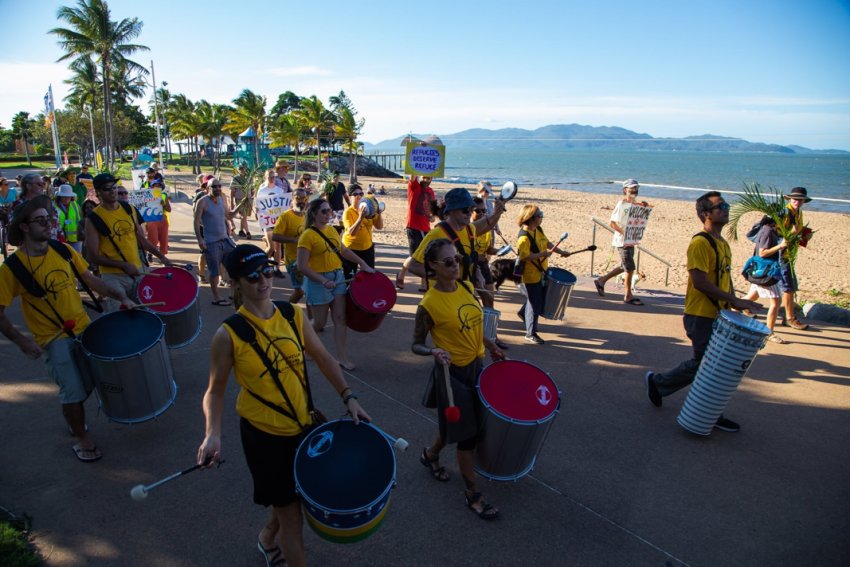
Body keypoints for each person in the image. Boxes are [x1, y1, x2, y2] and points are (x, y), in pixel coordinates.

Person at [196, 243, 369, 567]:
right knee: (293, 519)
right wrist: (212, 434)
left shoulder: (291, 314)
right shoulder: (228, 334)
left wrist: (349, 397)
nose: (263, 281)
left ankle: (265, 537)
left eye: (266, 272)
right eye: (252, 277)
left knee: (295, 496)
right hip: (265, 438)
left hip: (303, 427)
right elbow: (215, 391)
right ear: (235, 283)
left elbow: (322, 357)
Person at [0, 195, 135, 462]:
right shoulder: (12, 268)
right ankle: (81, 438)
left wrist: (121, 296)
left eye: (49, 219)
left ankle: (74, 418)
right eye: (40, 221)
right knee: (72, 390)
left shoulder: (63, 251)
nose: (48, 224)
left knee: (89, 383)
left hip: (85, 330)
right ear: (25, 227)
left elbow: (91, 280)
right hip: (54, 339)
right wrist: (22, 341)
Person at [644, 192, 762, 432]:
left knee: (714, 365)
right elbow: (699, 281)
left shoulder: (722, 243)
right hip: (700, 314)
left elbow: (723, 278)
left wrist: (735, 304)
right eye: (721, 206)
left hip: (720, 314)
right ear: (705, 214)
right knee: (708, 365)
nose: (727, 209)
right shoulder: (700, 242)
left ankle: (706, 410)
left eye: (727, 205)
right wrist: (733, 300)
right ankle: (661, 384)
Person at [411, 238, 505, 520]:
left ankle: (429, 455)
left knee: (463, 426)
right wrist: (433, 350)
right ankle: (473, 494)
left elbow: (472, 324)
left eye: (458, 260)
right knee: (468, 437)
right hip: (453, 374)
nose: (456, 265)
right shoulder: (428, 304)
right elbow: (415, 344)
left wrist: (489, 345)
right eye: (449, 262)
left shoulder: (465, 287)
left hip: (477, 366)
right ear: (433, 266)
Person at [297, 198, 374, 371]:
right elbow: (302, 266)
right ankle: (299, 341)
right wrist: (323, 280)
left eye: (329, 211)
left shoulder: (332, 230)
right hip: (319, 282)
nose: (328, 214)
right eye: (323, 211)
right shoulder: (307, 236)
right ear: (314, 214)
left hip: (338, 277)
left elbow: (344, 251)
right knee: (319, 323)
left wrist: (363, 264)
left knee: (340, 319)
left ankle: (341, 357)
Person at [85, 174, 171, 310]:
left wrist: (161, 256)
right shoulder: (93, 218)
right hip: (114, 278)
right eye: (107, 189)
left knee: (148, 313)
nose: (112, 191)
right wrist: (123, 265)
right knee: (122, 319)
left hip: (139, 271)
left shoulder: (128, 209)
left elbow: (140, 240)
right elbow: (92, 256)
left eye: (114, 187)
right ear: (98, 193)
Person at [398, 188, 504, 291]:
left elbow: (487, 225)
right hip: (442, 295)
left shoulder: (469, 229)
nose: (469, 213)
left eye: (471, 209)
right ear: (451, 211)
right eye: (464, 210)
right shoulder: (437, 234)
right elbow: (413, 266)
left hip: (463, 291)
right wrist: (443, 277)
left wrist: (497, 213)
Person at [515, 204, 571, 344]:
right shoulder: (524, 238)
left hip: (540, 272)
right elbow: (524, 257)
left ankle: (523, 313)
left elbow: (547, 243)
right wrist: (543, 254)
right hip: (529, 275)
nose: (542, 218)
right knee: (535, 304)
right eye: (540, 216)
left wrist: (561, 252)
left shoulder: (538, 229)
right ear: (531, 218)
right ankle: (530, 333)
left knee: (535, 299)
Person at [593, 179, 648, 305]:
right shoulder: (621, 204)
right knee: (629, 268)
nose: (634, 190)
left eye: (636, 188)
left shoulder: (634, 204)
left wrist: (643, 206)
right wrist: (624, 233)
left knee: (625, 266)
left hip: (631, 240)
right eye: (631, 188)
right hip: (622, 241)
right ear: (625, 190)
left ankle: (601, 280)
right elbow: (612, 223)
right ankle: (628, 296)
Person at [741, 216, 788, 344]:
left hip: (759, 270)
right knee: (776, 302)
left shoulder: (766, 229)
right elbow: (762, 252)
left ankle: (729, 310)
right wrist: (781, 246)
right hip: (766, 271)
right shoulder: (767, 231)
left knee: (751, 297)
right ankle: (769, 333)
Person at [471, 197, 508, 349]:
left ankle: (492, 335)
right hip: (471, 266)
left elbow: (488, 250)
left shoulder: (487, 229)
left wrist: (500, 251)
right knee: (475, 302)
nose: (481, 214)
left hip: (483, 265)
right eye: (477, 211)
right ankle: (479, 336)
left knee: (490, 301)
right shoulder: (469, 229)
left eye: (483, 211)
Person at [194, 177, 236, 306]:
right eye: (214, 186)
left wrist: (241, 205)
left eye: (219, 186)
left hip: (225, 240)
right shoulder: (202, 202)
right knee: (214, 271)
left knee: (234, 268)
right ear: (208, 188)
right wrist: (200, 239)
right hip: (211, 242)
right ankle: (216, 297)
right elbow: (196, 221)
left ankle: (234, 294)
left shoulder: (222, 199)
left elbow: (228, 215)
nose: (217, 188)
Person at [778, 187, 812, 330]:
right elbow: (777, 231)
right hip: (781, 253)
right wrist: (791, 234)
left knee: (764, 285)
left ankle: (740, 306)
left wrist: (804, 235)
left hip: (789, 253)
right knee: (788, 287)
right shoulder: (785, 212)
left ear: (804, 201)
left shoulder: (798, 212)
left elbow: (797, 229)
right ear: (790, 199)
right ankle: (790, 318)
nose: (797, 201)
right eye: (795, 199)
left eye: (800, 199)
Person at [272, 188, 308, 304]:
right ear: (292, 199)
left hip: (308, 259)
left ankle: (312, 320)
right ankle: (287, 310)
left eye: (304, 198)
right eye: (298, 198)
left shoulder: (307, 216)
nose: (301, 200)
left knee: (309, 292)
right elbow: (275, 236)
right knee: (300, 293)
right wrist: (294, 240)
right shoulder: (285, 216)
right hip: (293, 261)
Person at [341, 183, 382, 280]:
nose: (359, 196)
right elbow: (352, 233)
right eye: (355, 194)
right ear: (350, 196)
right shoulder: (348, 212)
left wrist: (379, 214)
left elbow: (379, 227)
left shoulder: (368, 209)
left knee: (369, 275)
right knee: (350, 278)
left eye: (361, 194)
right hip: (351, 249)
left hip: (367, 248)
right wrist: (360, 217)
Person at [403, 175, 436, 290]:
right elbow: (412, 176)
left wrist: (432, 217)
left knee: (426, 256)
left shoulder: (431, 192)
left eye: (429, 178)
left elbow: (431, 210)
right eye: (424, 178)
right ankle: (401, 275)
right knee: (414, 256)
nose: (426, 180)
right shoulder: (414, 186)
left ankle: (423, 284)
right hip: (413, 226)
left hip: (426, 227)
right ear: (420, 177)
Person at [255, 168, 287, 278]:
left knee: (278, 247)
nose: (272, 178)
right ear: (265, 177)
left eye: (273, 176)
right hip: (267, 221)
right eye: (270, 176)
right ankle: (260, 263)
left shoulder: (279, 190)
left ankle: (276, 269)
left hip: (277, 221)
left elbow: (283, 205)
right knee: (271, 247)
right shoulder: (262, 190)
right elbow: (258, 206)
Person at [143, 178, 171, 258]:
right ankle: (150, 253)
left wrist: (164, 204)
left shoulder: (164, 195)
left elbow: (169, 210)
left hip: (162, 218)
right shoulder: (146, 195)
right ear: (152, 187)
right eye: (155, 186)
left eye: (159, 186)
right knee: (152, 238)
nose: (157, 187)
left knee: (164, 238)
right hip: (151, 219)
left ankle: (163, 256)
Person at [54, 184, 83, 253]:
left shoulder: (75, 205)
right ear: (59, 197)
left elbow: (81, 218)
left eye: (68, 196)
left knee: (77, 259)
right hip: (60, 240)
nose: (66, 198)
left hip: (76, 239)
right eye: (64, 196)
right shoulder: (53, 207)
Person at [230, 164, 253, 239]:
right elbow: (232, 191)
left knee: (245, 216)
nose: (242, 170)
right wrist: (232, 202)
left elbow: (252, 188)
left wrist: (252, 196)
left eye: (243, 168)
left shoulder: (249, 178)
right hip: (239, 199)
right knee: (243, 216)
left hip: (248, 199)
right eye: (240, 169)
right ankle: (248, 232)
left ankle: (241, 230)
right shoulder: (235, 178)